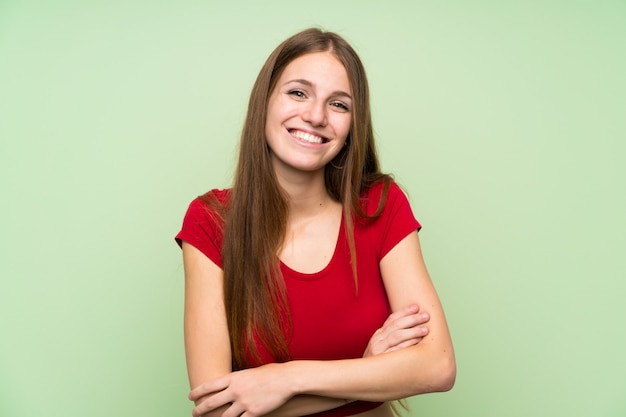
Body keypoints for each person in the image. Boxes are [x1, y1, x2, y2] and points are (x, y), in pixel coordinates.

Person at [175, 28, 455, 417]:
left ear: (352, 126)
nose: (316, 116)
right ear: (265, 101)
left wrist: (287, 379)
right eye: (298, 93)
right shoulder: (211, 222)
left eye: (339, 104)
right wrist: (368, 371)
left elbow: (437, 367)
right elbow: (216, 408)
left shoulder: (381, 205)